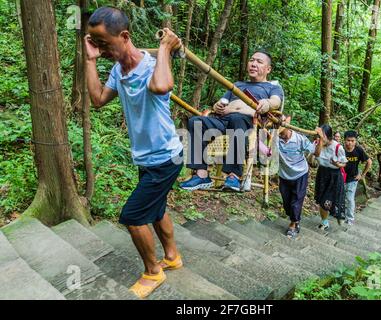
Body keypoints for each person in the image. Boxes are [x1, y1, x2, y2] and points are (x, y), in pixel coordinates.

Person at [85, 7, 183, 298]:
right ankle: (172, 256)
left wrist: (165, 46)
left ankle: (153, 271)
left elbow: (162, 85)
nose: (100, 49)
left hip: (166, 157)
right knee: (156, 209)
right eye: (95, 43)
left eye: (103, 43)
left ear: (124, 36)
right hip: (147, 157)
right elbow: (99, 99)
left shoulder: (152, 65)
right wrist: (90, 60)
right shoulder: (118, 70)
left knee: (132, 215)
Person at [180, 51, 284, 192]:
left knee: (238, 119)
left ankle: (233, 176)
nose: (253, 64)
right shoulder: (237, 84)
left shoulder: (272, 87)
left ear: (268, 69)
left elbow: (276, 102)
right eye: (251, 60)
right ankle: (201, 174)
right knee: (196, 121)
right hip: (222, 121)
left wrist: (267, 103)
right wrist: (217, 106)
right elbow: (221, 102)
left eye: (259, 62)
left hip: (248, 124)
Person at [277, 117, 318, 239]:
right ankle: (294, 218)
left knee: (297, 201)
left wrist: (319, 139)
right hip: (284, 175)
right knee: (287, 202)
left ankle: (294, 223)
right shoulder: (274, 138)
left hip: (300, 174)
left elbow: (315, 152)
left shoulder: (299, 139)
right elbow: (265, 152)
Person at [314, 124, 347, 230]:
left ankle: (337, 215)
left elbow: (344, 163)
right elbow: (317, 155)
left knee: (328, 200)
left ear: (328, 135)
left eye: (322, 135)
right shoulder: (317, 143)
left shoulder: (338, 147)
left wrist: (337, 164)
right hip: (322, 173)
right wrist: (319, 142)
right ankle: (324, 221)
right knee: (322, 199)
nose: (319, 137)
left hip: (335, 175)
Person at [343, 130, 372, 225]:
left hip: (353, 178)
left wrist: (362, 175)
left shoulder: (358, 150)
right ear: (344, 140)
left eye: (352, 140)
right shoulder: (340, 149)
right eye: (348, 140)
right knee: (341, 196)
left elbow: (369, 162)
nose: (350, 143)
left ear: (355, 141)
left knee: (350, 198)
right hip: (340, 178)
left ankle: (350, 218)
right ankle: (340, 213)